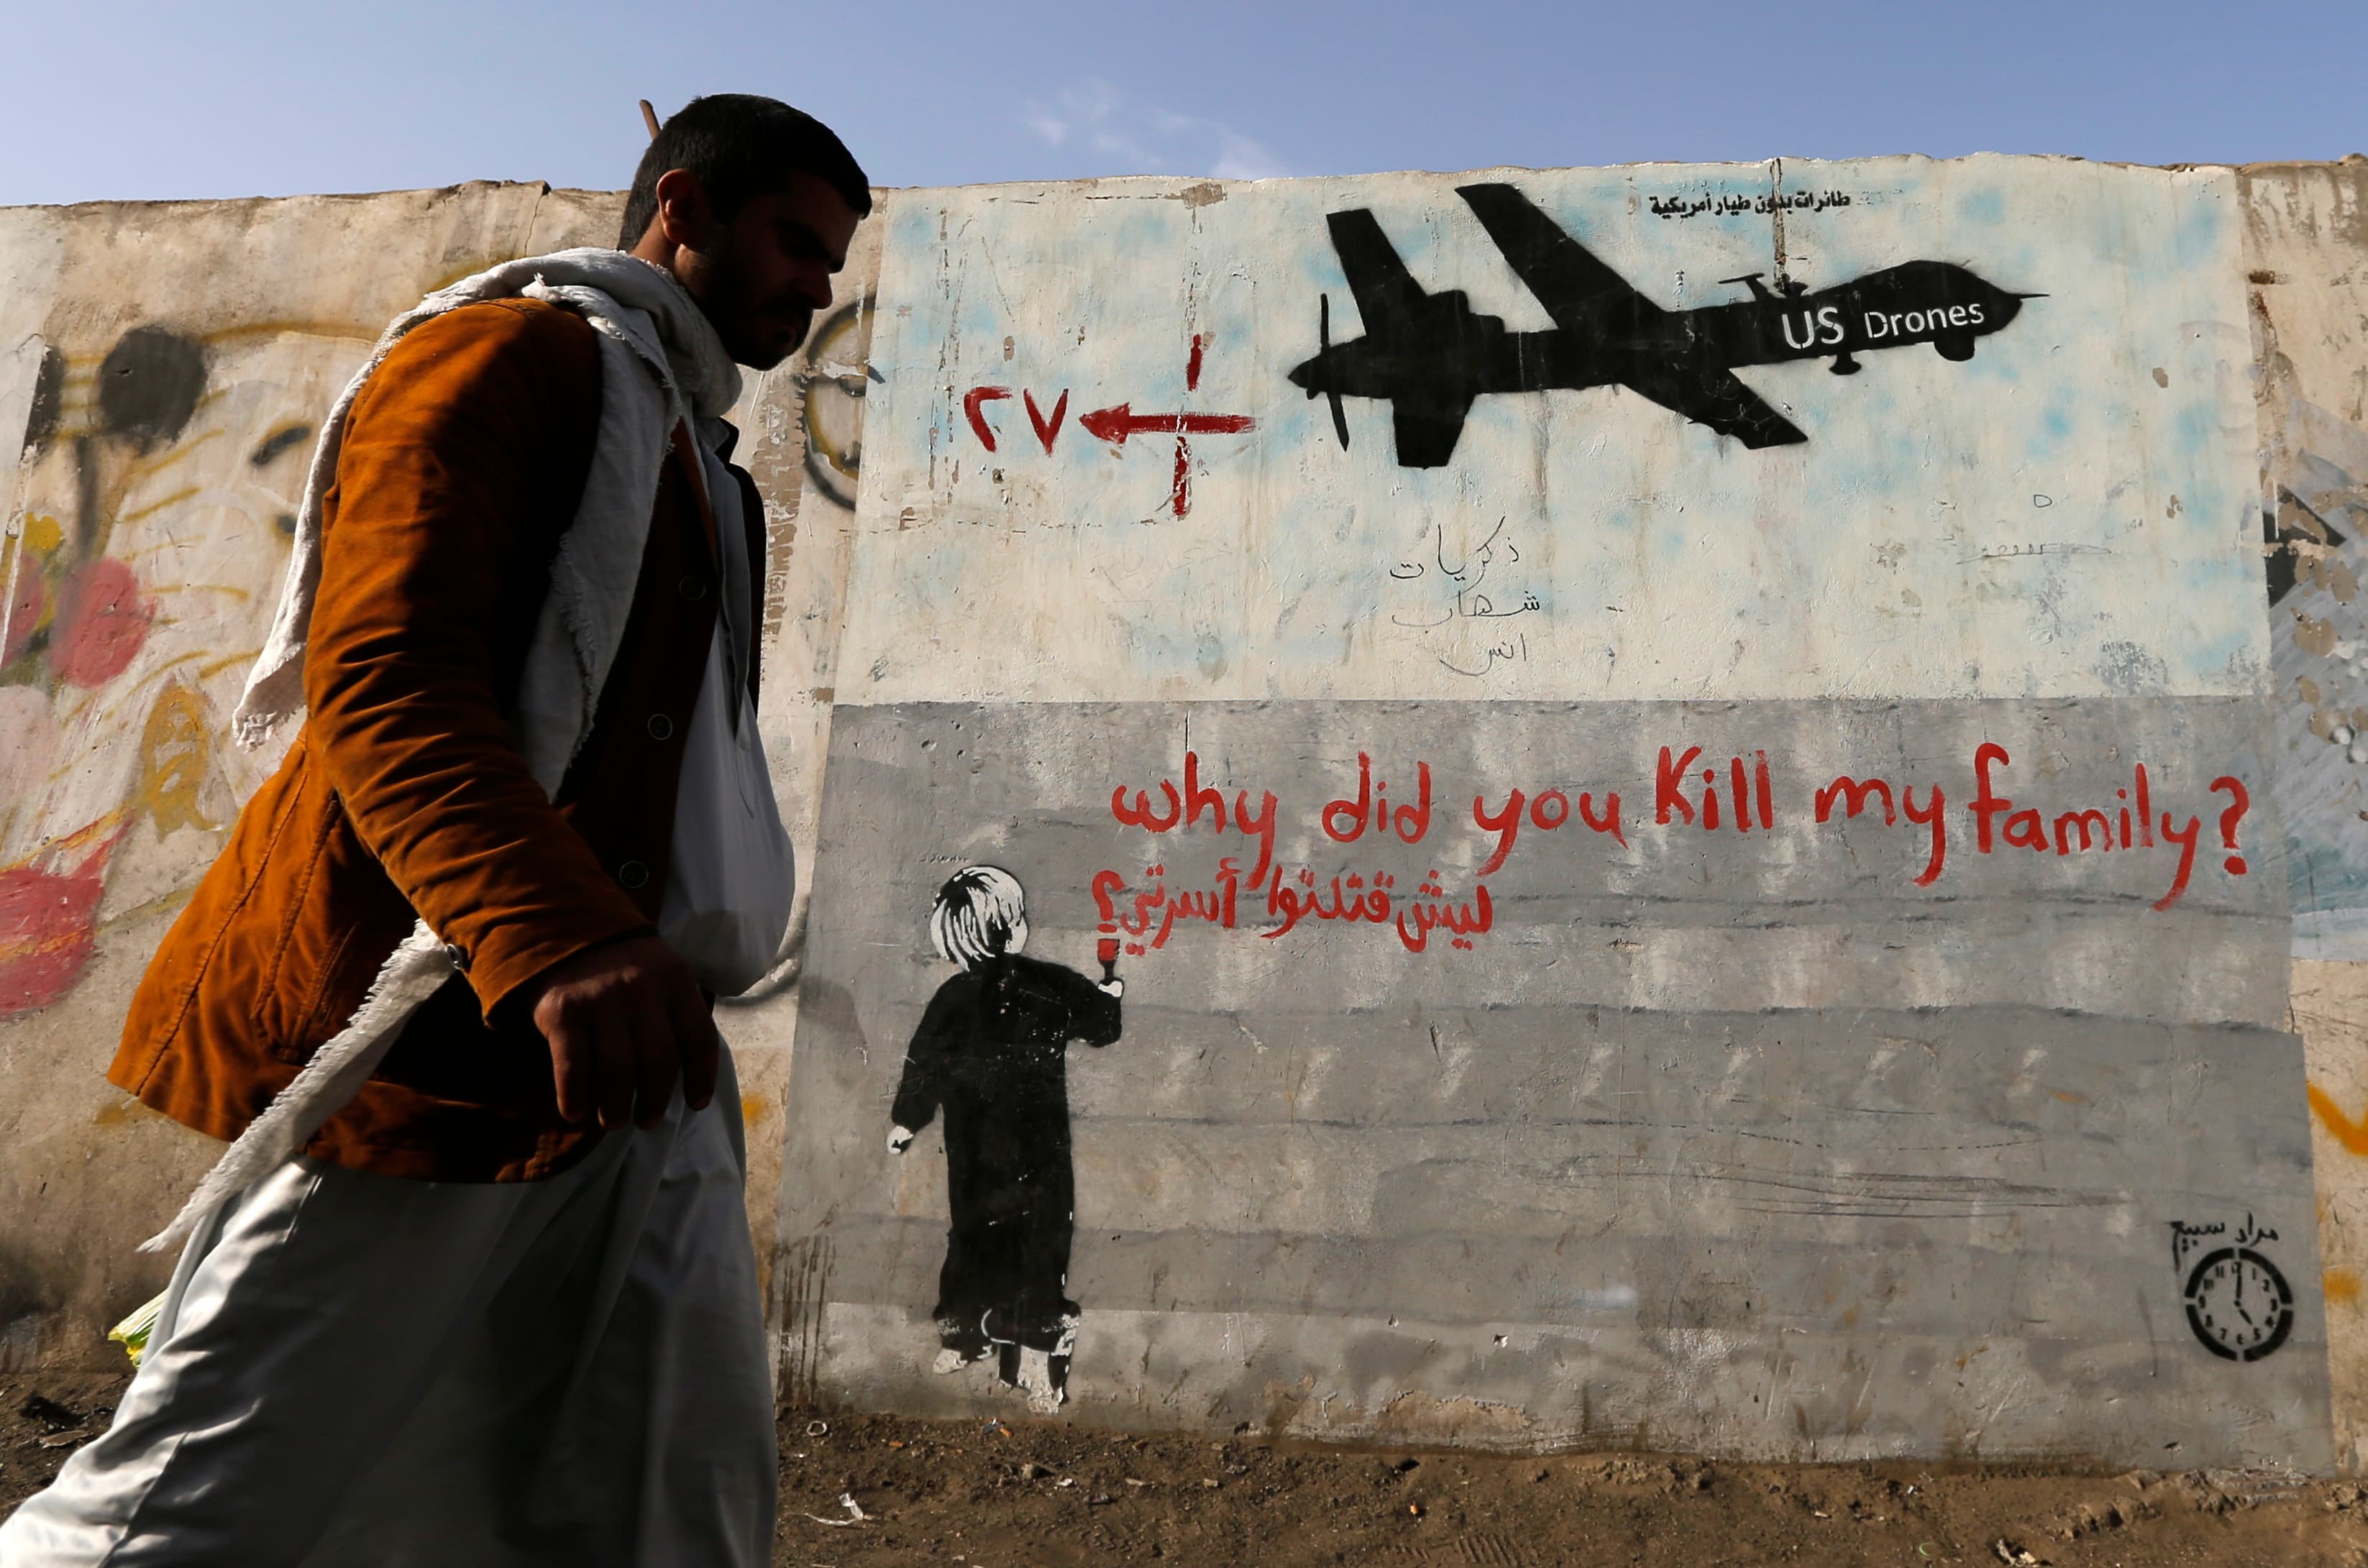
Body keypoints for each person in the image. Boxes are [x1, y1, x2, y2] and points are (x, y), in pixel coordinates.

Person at [0, 95, 867, 1567]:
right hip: (443, 1039)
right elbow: (386, 678)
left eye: (833, 264)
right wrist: (555, 933)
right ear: (685, 207)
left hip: (638, 1065)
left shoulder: (698, 453)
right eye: (794, 241)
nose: (816, 287)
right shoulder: (507, 357)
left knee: (668, 1493)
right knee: (192, 1507)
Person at [887, 866, 1123, 1413]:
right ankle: (1038, 1364)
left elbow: (924, 1064)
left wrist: (907, 1120)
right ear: (1014, 925)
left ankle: (963, 1333)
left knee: (971, 1237)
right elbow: (1100, 1026)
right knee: (1039, 1248)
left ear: (953, 933)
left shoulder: (953, 995)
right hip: (1039, 1150)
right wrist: (1110, 992)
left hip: (973, 1153)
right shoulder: (1049, 983)